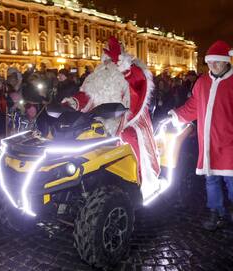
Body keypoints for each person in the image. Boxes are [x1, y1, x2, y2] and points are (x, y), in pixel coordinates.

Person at [169, 40, 233, 231]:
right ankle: (216, 212)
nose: (212, 65)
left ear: (226, 62)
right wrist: (177, 115)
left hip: (232, 143)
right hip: (208, 142)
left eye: (217, 62)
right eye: (210, 62)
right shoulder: (202, 82)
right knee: (211, 178)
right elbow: (194, 106)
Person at [63, 37, 161, 201]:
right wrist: (73, 102)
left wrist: (122, 63)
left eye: (112, 57)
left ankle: (139, 179)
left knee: (129, 136)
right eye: (107, 57)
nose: (109, 62)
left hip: (128, 119)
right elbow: (85, 96)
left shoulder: (131, 69)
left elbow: (138, 83)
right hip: (97, 120)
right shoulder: (95, 76)